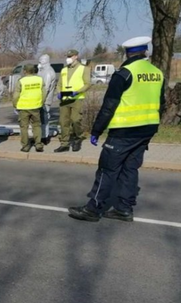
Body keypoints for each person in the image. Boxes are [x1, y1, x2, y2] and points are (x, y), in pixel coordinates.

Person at [69, 36, 165, 222]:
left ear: (127, 53)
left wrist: (96, 131)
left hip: (124, 130)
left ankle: (93, 208)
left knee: (107, 169)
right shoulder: (157, 73)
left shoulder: (124, 73)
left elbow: (109, 106)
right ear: (146, 52)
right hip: (147, 130)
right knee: (130, 169)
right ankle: (124, 208)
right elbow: (162, 103)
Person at [55, 49, 92, 153]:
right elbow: (59, 84)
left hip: (76, 98)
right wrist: (58, 92)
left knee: (76, 120)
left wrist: (78, 92)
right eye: (68, 56)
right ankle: (64, 143)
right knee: (63, 122)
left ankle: (78, 137)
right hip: (64, 99)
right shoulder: (64, 70)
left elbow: (87, 84)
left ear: (76, 56)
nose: (68, 58)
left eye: (70, 56)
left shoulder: (83, 69)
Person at [13, 64, 47, 152]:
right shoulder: (39, 79)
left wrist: (15, 104)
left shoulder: (21, 81)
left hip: (23, 107)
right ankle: (38, 144)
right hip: (36, 107)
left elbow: (16, 95)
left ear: (25, 71)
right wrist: (41, 102)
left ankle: (25, 146)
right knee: (37, 126)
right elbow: (44, 93)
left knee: (24, 127)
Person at [38, 54, 58, 145]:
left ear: (45, 61)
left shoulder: (48, 72)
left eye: (40, 61)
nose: (39, 63)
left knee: (44, 119)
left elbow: (45, 88)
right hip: (41, 99)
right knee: (41, 119)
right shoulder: (43, 71)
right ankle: (42, 136)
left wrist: (41, 100)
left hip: (44, 100)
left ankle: (44, 138)